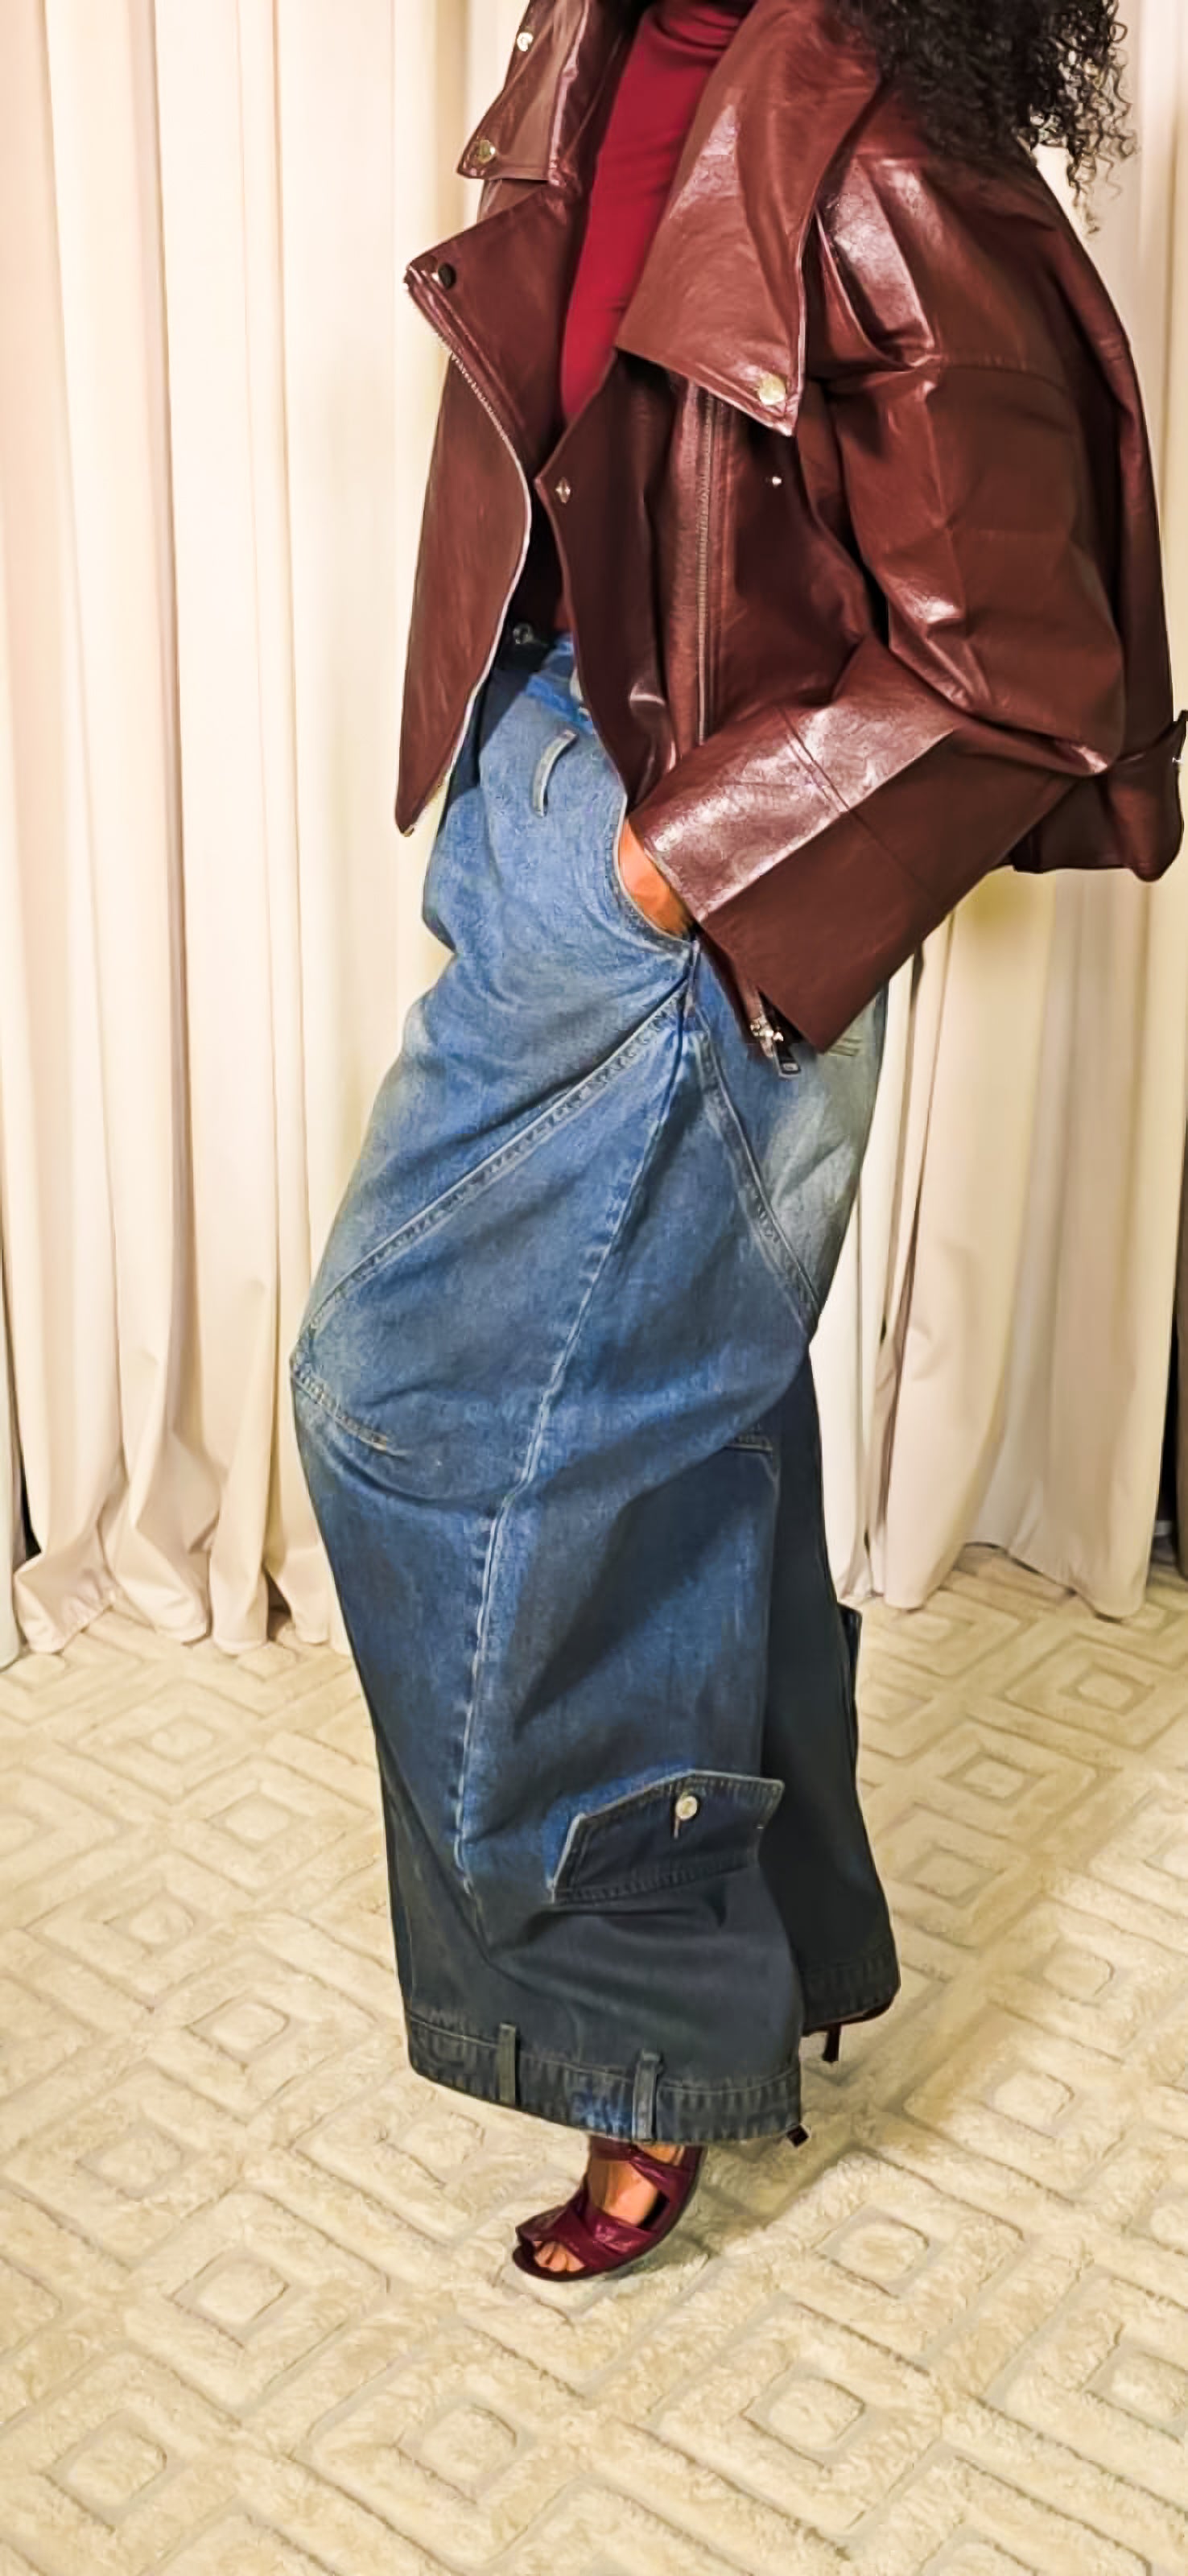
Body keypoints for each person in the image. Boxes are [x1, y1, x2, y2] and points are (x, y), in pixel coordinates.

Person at [290, 0, 1184, 2285]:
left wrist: (667, 870)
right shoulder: (601, 41)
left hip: (692, 885)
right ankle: (754, 1979)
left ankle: (630, 2026)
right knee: (678, 1448)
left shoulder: (882, 149)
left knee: (423, 1416)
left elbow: (1023, 662)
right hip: (555, 802)